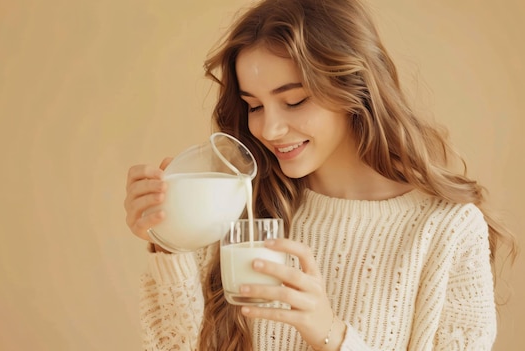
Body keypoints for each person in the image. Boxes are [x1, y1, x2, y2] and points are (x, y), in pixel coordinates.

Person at [124, 0, 518, 349]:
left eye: (294, 100)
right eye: (254, 106)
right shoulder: (233, 207)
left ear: (355, 89)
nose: (269, 129)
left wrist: (330, 335)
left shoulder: (446, 230)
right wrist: (168, 239)